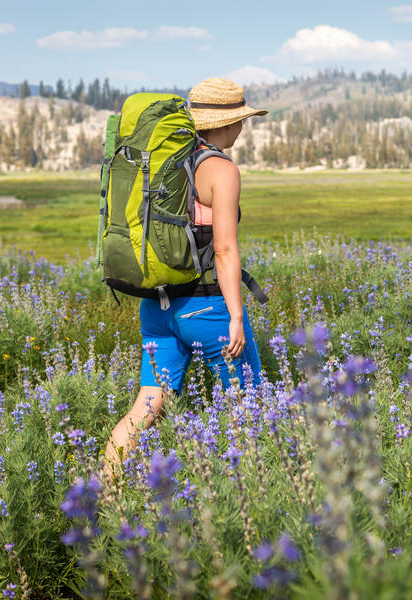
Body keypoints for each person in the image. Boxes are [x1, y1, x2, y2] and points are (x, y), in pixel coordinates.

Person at [105, 78, 267, 469]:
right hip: (205, 308)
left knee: (145, 408)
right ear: (225, 123)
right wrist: (235, 317)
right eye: (240, 120)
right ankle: (245, 504)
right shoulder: (220, 170)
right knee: (252, 408)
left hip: (158, 309)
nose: (242, 127)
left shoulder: (168, 162)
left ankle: (99, 501)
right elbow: (225, 250)